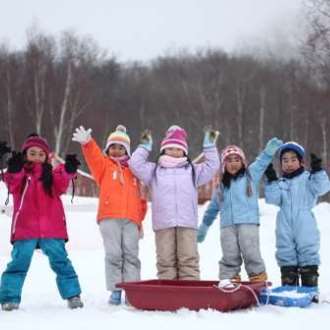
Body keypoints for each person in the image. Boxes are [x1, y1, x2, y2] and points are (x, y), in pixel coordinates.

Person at [0, 134, 83, 311]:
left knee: (61, 261)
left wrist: (68, 170)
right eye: (32, 153)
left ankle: (73, 295)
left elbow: (62, 183)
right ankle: (9, 298)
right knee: (18, 263)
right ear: (25, 155)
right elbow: (12, 184)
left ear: (46, 156)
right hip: (25, 228)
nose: (37, 157)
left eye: (40, 154)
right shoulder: (20, 175)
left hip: (52, 229)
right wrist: (13, 169)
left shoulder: (51, 176)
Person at [128, 125, 220, 280]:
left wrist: (210, 147)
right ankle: (168, 292)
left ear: (184, 151)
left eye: (178, 149)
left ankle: (190, 291)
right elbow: (135, 164)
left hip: (187, 223)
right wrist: (144, 147)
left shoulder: (193, 171)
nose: (174, 152)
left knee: (188, 259)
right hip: (163, 223)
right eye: (170, 148)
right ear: (163, 150)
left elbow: (212, 166)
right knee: (165, 260)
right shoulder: (154, 171)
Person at [72, 125, 146, 305]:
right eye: (113, 146)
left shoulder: (134, 171)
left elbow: (141, 197)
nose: (117, 150)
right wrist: (88, 143)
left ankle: (132, 291)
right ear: (108, 148)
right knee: (113, 254)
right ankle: (116, 289)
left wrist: (139, 219)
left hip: (131, 220)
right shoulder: (104, 166)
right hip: (109, 217)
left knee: (131, 256)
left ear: (127, 150)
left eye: (121, 147)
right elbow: (94, 157)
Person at [197, 138, 283, 284]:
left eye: (237, 159)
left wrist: (268, 153)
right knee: (229, 256)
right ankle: (229, 282)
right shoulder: (221, 187)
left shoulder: (250, 176)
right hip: (227, 227)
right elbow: (212, 209)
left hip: (248, 224)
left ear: (242, 162)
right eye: (229, 160)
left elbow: (261, 163)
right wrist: (204, 227)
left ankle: (258, 281)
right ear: (224, 165)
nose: (233, 163)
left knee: (251, 254)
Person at [264, 141, 330, 291]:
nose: (289, 164)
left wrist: (318, 171)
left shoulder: (308, 179)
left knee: (308, 251)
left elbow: (323, 188)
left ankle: (310, 286)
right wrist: (272, 180)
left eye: (293, 160)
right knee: (285, 252)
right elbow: (273, 199)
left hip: (305, 223)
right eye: (285, 160)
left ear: (301, 162)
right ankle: (289, 286)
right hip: (284, 224)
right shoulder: (281, 183)